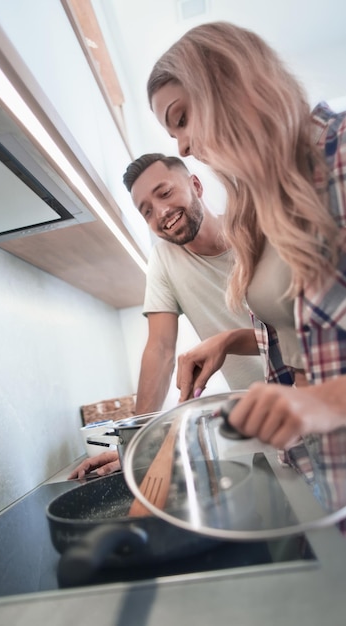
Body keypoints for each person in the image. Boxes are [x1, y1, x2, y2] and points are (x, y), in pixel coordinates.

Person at [146, 21, 346, 455]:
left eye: (181, 119)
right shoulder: (254, 209)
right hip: (324, 467)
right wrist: (230, 341)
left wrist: (321, 403)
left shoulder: (339, 150)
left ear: (229, 84)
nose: (180, 146)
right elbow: (303, 329)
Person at [68, 153, 264, 478]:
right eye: (146, 210)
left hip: (319, 397)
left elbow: (297, 330)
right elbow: (159, 349)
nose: (160, 212)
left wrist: (227, 341)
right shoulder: (163, 260)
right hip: (260, 424)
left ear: (196, 185)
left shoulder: (256, 229)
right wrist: (135, 445)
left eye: (165, 193)